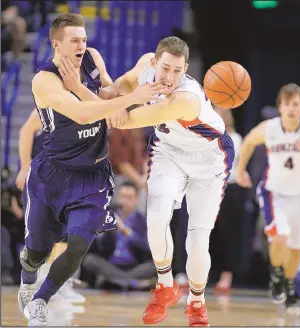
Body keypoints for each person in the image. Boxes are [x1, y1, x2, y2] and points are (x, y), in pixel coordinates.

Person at [18, 13, 166, 326]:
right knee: (38, 252)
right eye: (74, 40)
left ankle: (41, 300)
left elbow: (108, 93)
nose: (82, 45)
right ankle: (28, 271)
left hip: (93, 174)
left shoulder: (93, 58)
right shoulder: (44, 80)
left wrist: (134, 76)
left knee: (78, 245)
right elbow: (85, 114)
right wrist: (132, 97)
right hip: (53, 174)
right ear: (56, 44)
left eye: (84, 39)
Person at [101, 36, 235, 326]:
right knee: (157, 215)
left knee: (198, 239)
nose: (169, 77)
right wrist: (110, 91)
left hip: (210, 157)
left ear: (186, 69)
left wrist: (107, 105)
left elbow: (127, 119)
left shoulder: (186, 97)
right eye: (165, 69)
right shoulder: (145, 67)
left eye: (177, 71)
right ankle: (165, 286)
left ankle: (197, 302)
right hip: (169, 149)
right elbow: (123, 84)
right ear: (153, 62)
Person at [236, 83, 300, 310]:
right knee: (280, 237)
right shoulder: (270, 128)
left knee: (297, 248)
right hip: (274, 193)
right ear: (280, 107)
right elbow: (248, 141)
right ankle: (277, 275)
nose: (291, 109)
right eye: (287, 104)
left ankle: (289, 285)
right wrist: (240, 170)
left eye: (295, 104)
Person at [16, 109, 85, 303]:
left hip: (70, 177)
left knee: (69, 233)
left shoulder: (85, 103)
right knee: (45, 235)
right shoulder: (53, 103)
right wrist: (23, 167)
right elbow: (25, 130)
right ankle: (40, 282)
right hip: (44, 177)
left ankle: (60, 283)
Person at [82, 182, 156, 290]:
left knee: (154, 266)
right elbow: (100, 248)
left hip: (134, 266)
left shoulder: (142, 221)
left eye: (129, 198)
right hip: (110, 265)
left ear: (136, 200)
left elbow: (147, 248)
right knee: (89, 260)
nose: (125, 201)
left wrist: (126, 231)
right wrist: (106, 230)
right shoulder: (108, 216)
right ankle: (131, 283)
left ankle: (115, 281)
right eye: (122, 197)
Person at [210, 107, 245, 293]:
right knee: (208, 233)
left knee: (228, 233)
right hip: (208, 188)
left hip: (228, 189)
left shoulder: (235, 138)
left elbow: (226, 162)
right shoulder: (204, 137)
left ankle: (227, 274)